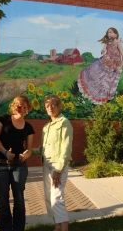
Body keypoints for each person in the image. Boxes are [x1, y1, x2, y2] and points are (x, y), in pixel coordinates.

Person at [0, 95, 35, 231]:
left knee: (19, 201)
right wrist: (5, 152)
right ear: (13, 106)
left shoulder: (28, 127)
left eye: (24, 107)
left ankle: (18, 228)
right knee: (3, 201)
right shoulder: (3, 119)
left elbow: (29, 149)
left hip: (19, 166)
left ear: (28, 109)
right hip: (1, 165)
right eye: (19, 107)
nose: (21, 109)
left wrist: (26, 155)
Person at [32, 94, 73, 231]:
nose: (50, 107)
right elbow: (42, 148)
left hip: (58, 165)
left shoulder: (64, 123)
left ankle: (64, 227)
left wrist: (58, 170)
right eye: (47, 105)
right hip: (46, 164)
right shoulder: (46, 126)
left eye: (53, 105)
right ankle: (57, 226)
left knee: (57, 197)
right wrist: (29, 152)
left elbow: (66, 148)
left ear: (59, 106)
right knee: (49, 197)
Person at [78, 27, 123, 105]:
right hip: (105, 62)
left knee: (107, 83)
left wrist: (120, 65)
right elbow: (103, 50)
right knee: (97, 77)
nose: (108, 34)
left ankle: (104, 100)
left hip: (114, 66)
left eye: (110, 32)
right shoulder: (107, 43)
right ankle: (95, 98)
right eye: (108, 32)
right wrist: (103, 51)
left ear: (115, 34)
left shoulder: (118, 43)